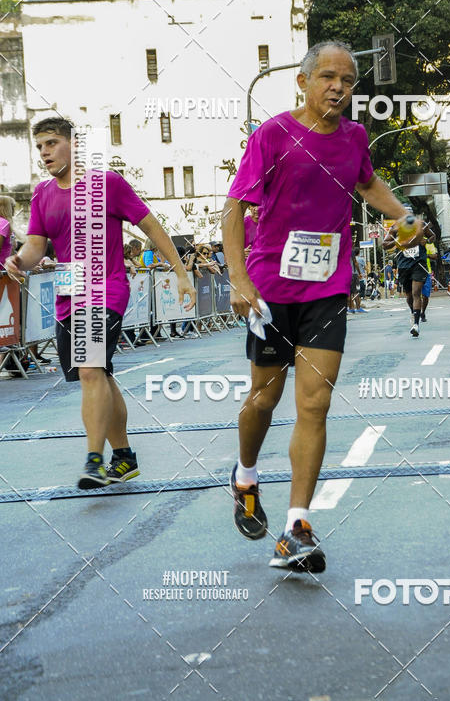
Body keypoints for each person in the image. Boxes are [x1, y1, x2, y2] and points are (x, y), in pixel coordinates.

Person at [221, 40, 423, 573]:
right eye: (329, 77)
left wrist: (405, 217)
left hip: (327, 289)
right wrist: (239, 280)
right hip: (271, 290)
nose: (339, 87)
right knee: (263, 402)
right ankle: (244, 475)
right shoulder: (273, 135)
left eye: (349, 80)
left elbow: (368, 182)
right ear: (304, 82)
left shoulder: (355, 137)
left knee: (315, 405)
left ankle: (296, 525)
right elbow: (235, 209)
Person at [5, 117, 196, 489]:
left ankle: (95, 460)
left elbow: (151, 227)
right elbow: (36, 246)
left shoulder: (106, 183)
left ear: (73, 144)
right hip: (67, 293)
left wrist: (180, 272)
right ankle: (124, 458)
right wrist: (18, 261)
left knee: (91, 369)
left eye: (51, 143)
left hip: (106, 288)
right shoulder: (43, 193)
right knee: (98, 374)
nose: (44, 152)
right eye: (40, 145)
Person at [385, 214, 432, 336]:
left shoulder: (421, 225)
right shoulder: (395, 228)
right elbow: (384, 245)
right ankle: (413, 312)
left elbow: (433, 236)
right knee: (409, 295)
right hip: (403, 266)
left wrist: (426, 241)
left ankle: (416, 324)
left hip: (418, 264)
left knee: (417, 293)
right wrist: (397, 242)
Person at [421, 235, 438, 322]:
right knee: (415, 294)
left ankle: (423, 312)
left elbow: (435, 256)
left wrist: (425, 255)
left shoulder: (428, 242)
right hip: (414, 271)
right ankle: (416, 312)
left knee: (425, 296)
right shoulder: (412, 241)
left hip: (426, 272)